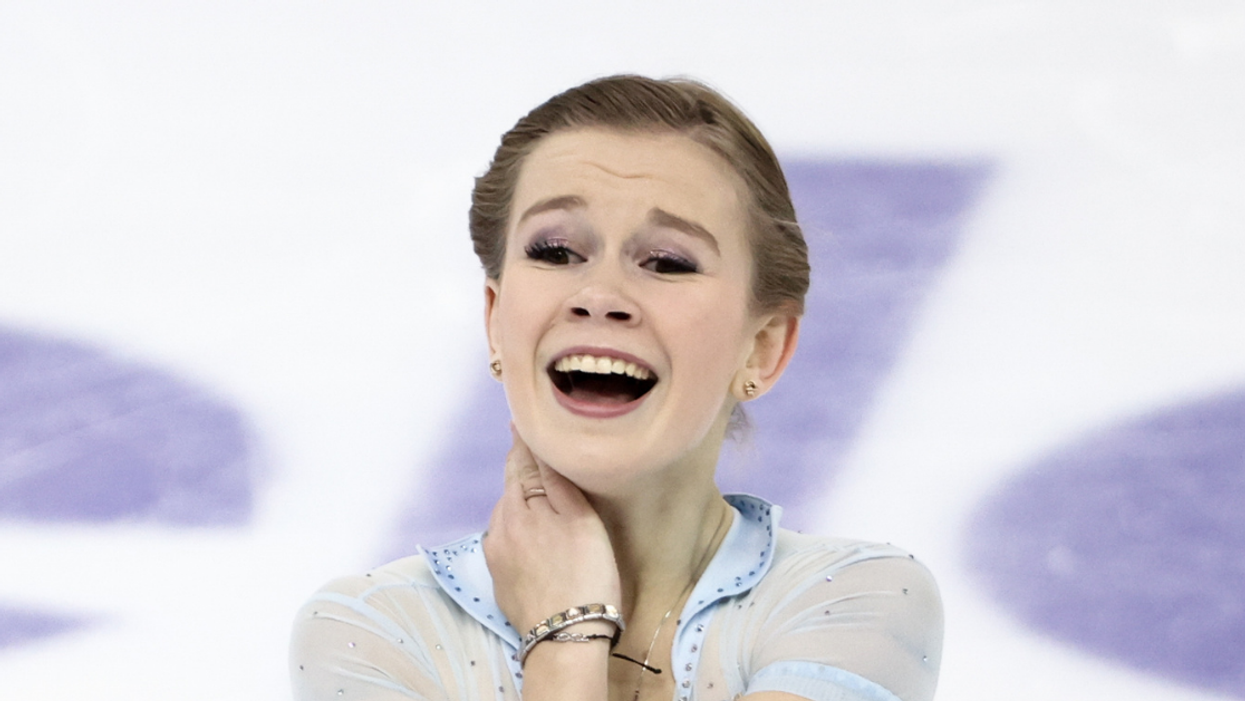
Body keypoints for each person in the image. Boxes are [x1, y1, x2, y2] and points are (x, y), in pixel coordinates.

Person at [289, 74, 942, 701]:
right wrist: (568, 634)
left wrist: (566, 630)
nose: (599, 296)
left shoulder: (853, 598)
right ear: (495, 318)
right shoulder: (372, 632)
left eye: (666, 261)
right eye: (554, 252)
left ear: (762, 347)